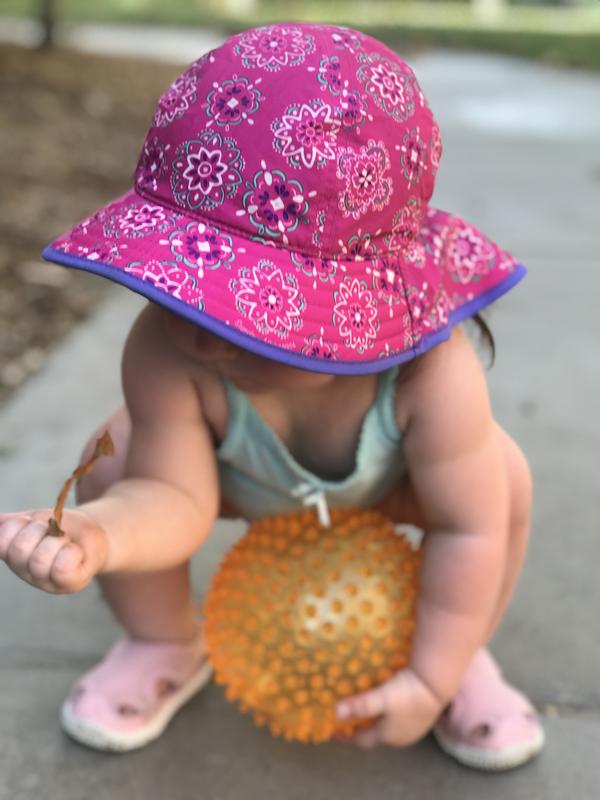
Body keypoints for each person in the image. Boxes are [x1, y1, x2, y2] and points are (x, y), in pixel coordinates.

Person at [0, 23, 544, 769]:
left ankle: (463, 655)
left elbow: (468, 529)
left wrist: (428, 674)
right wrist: (100, 535)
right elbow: (172, 495)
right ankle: (161, 638)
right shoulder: (168, 352)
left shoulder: (432, 376)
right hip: (226, 479)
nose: (203, 337)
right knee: (115, 458)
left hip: (391, 490)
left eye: (247, 314)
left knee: (499, 484)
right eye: (187, 292)